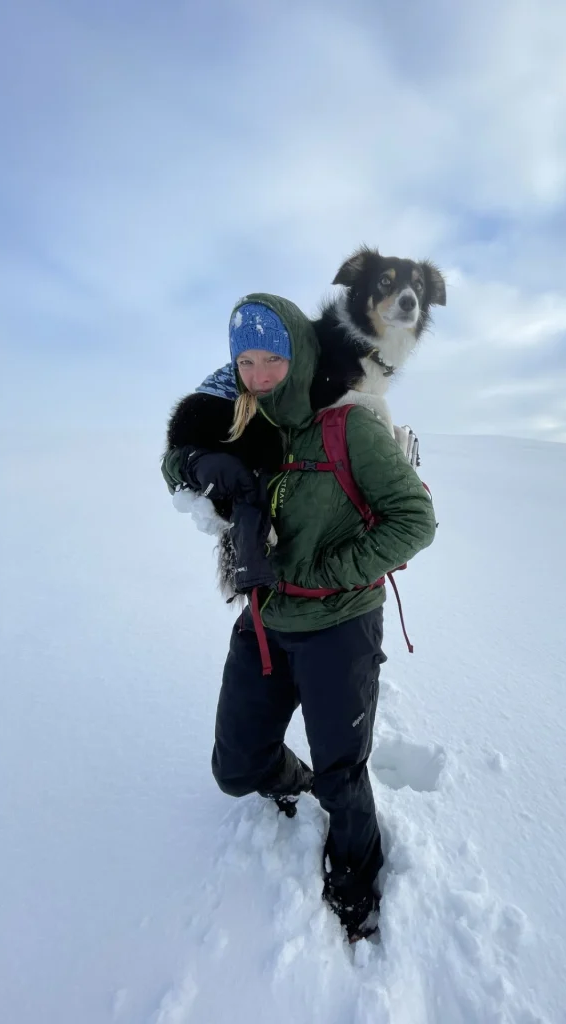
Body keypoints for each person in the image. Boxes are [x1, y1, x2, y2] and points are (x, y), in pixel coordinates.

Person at [161, 294, 437, 940]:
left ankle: (356, 874)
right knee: (236, 765)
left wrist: (326, 573)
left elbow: (416, 522)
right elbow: (172, 460)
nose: (257, 375)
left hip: (339, 625)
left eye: (271, 360)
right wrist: (201, 462)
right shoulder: (245, 420)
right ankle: (295, 779)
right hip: (264, 621)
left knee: (345, 779)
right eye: (246, 361)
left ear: (299, 354)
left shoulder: (349, 428)